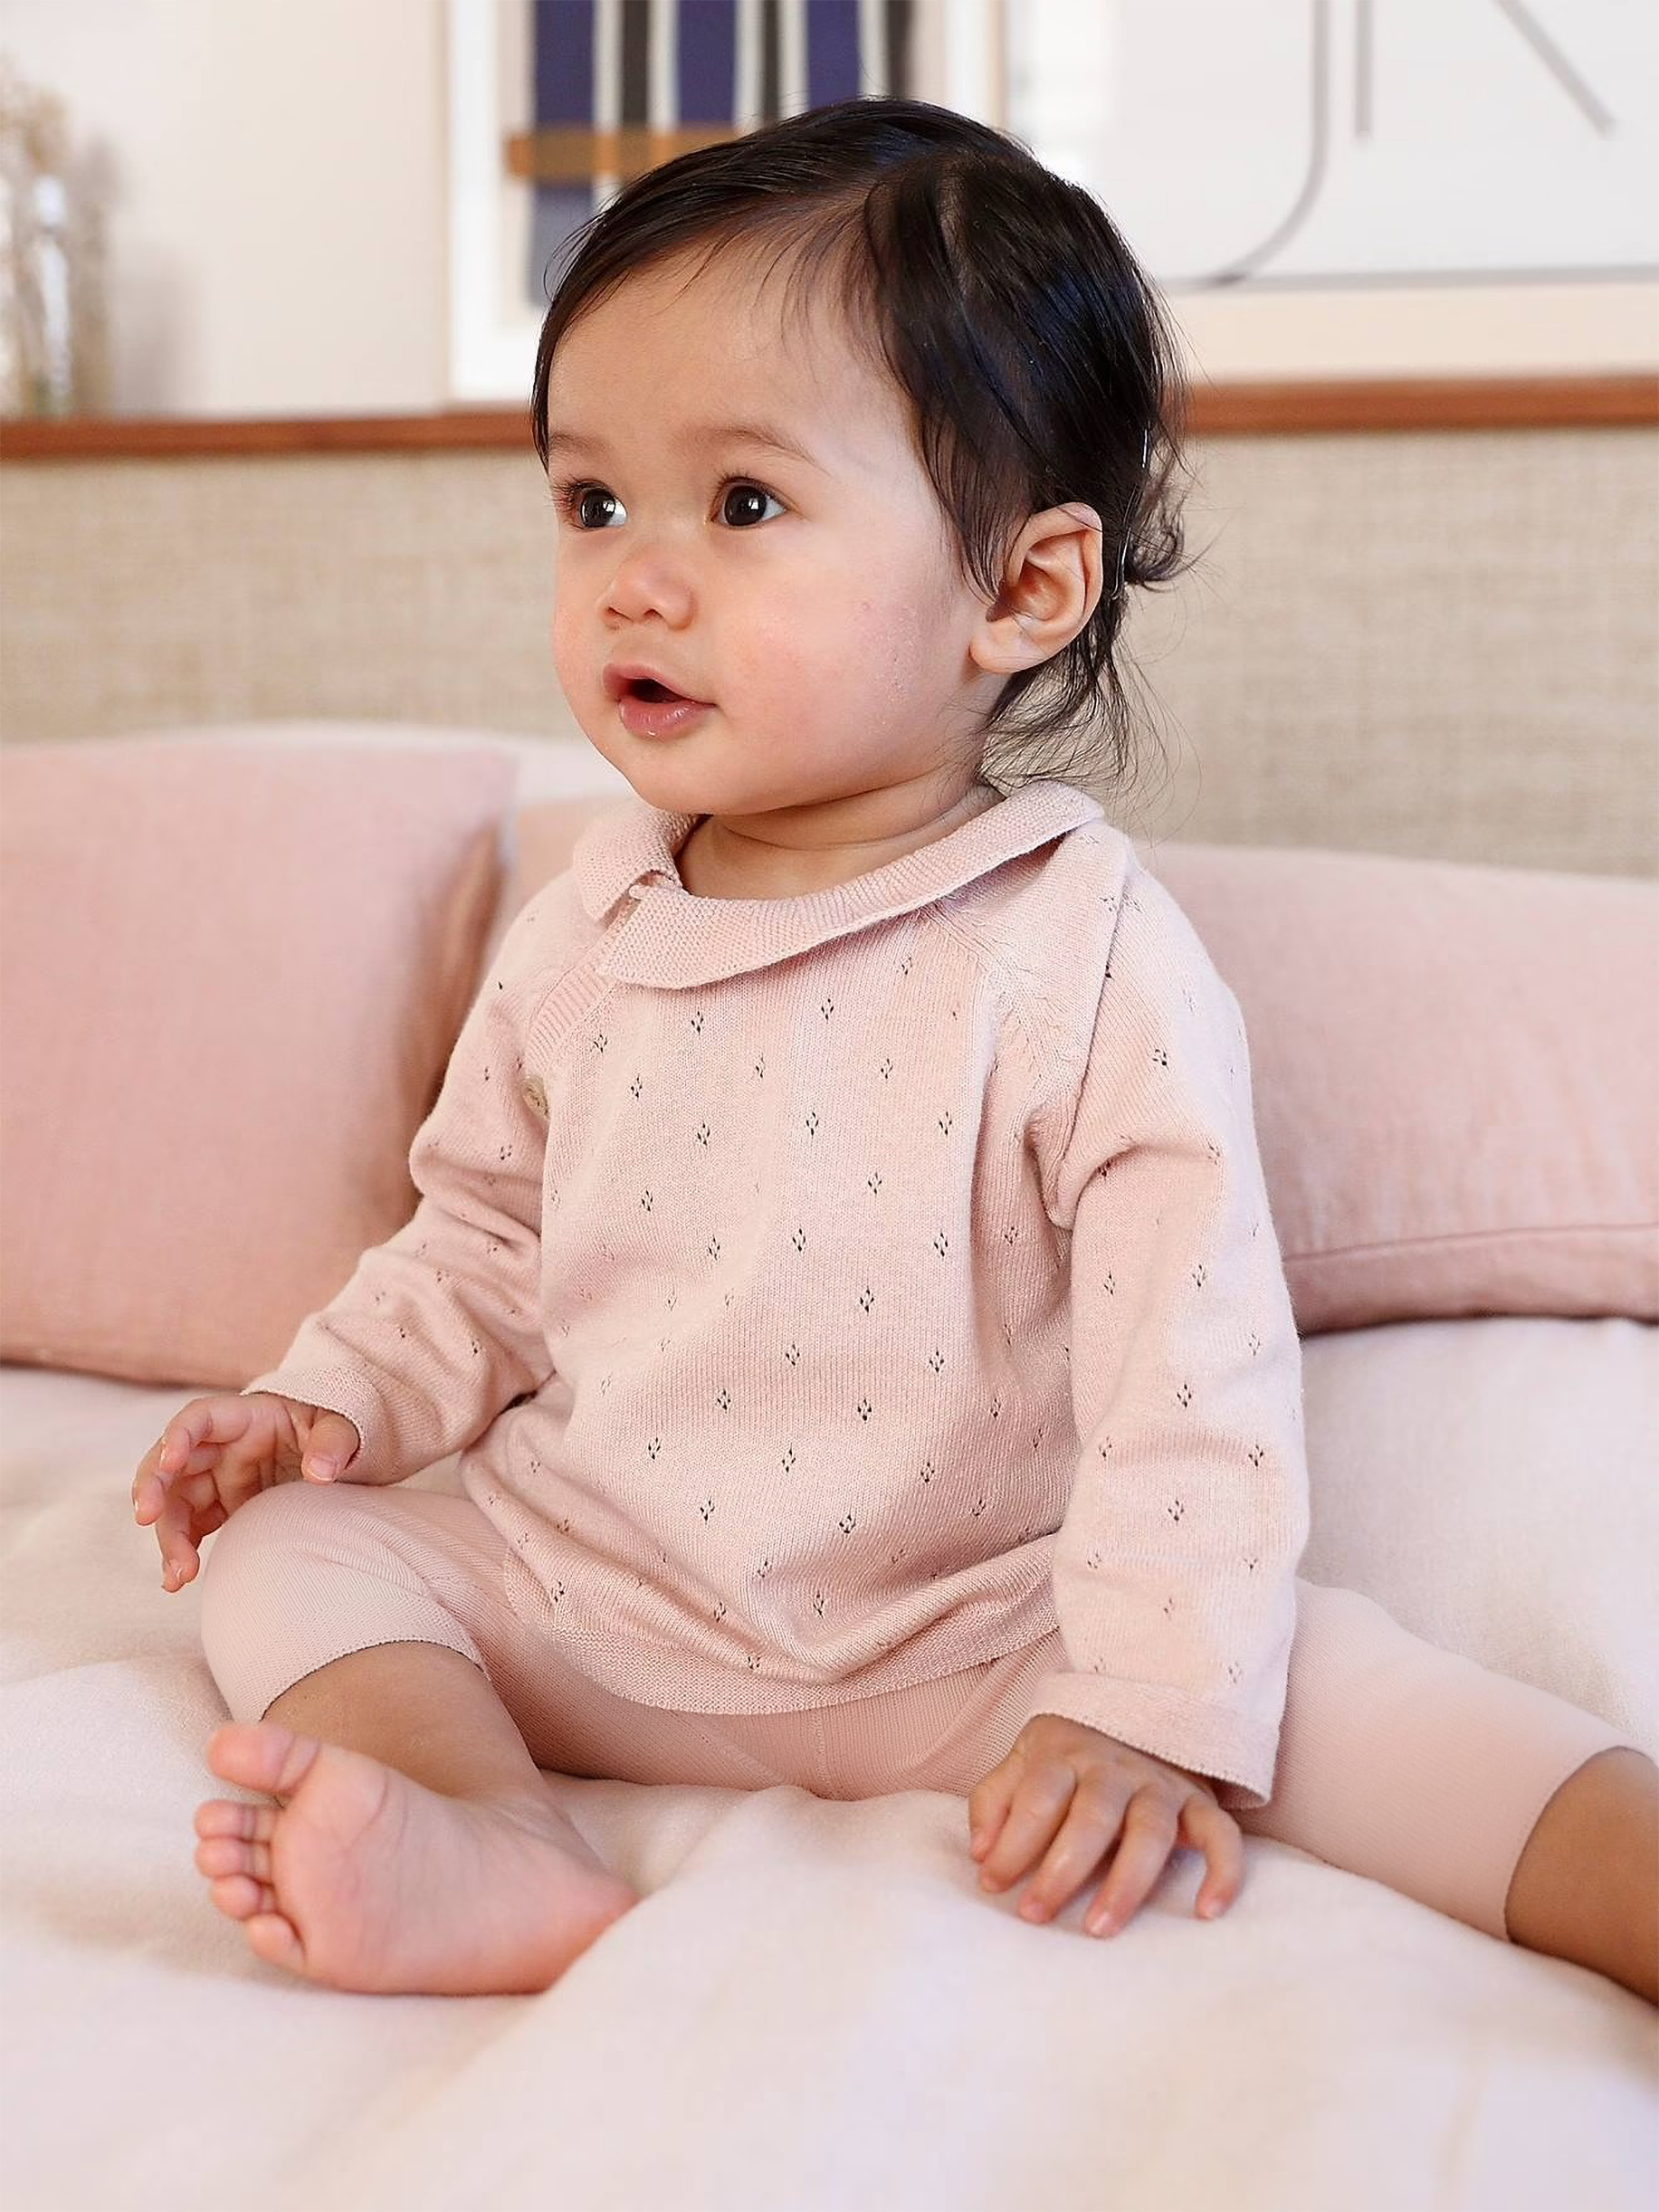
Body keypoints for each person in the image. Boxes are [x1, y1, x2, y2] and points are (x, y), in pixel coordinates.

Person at [131, 97, 1658, 2004]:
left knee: (1357, 1697)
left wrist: (1146, 1700)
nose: (635, 575)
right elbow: (481, 1251)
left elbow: (1193, 1365)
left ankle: (1624, 1872)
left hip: (991, 1638)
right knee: (288, 1559)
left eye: (742, 504)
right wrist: (328, 1403)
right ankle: (487, 1828)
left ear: (1018, 590)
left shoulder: (1077, 954)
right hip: (599, 1603)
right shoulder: (588, 932)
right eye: (592, 501)